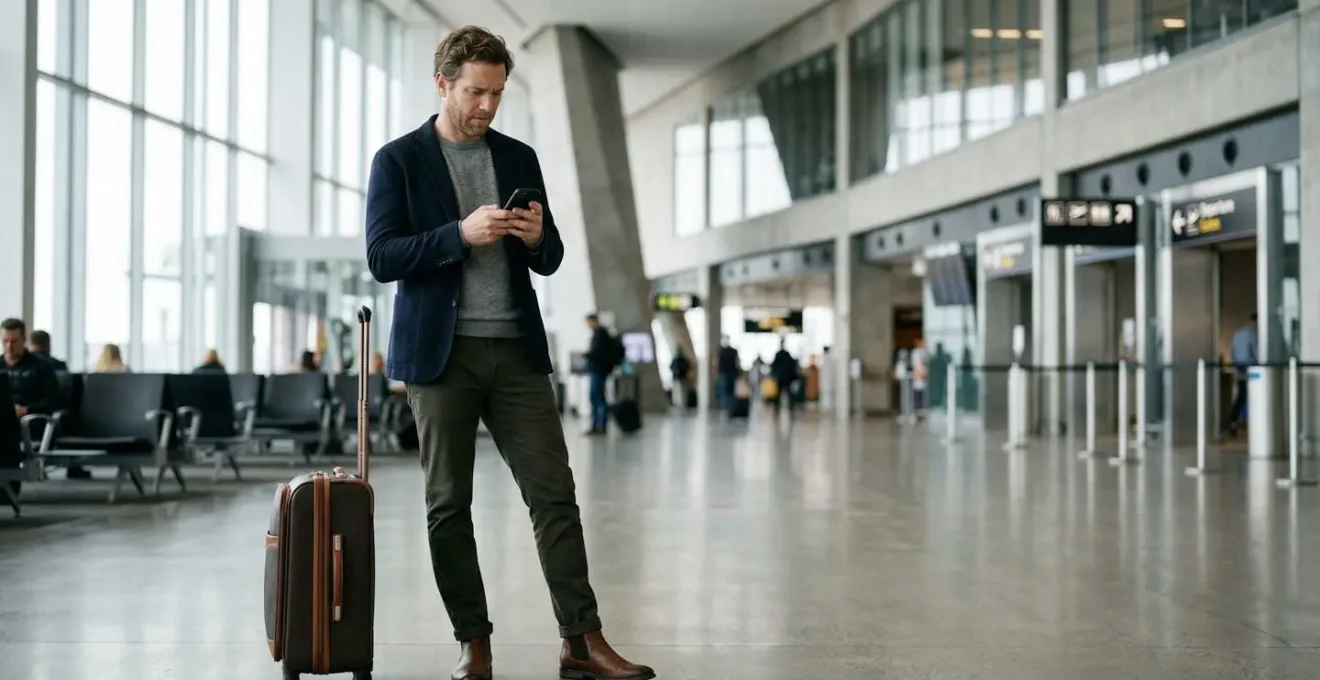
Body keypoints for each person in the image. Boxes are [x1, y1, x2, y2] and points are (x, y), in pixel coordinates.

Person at [363, 25, 653, 680]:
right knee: (448, 505)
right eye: (474, 92)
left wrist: (534, 236)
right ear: (443, 84)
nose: (486, 106)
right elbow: (382, 256)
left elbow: (548, 260)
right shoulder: (399, 160)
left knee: (555, 495)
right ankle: (474, 643)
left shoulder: (518, 157)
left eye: (496, 93)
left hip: (516, 351)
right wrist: (457, 235)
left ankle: (582, 641)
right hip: (442, 360)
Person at [1, 319, 62, 489]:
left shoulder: (41, 367)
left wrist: (27, 409)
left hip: (31, 421)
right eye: (5, 341)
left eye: (14, 341)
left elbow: (53, 400)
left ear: (24, 340)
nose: (8, 346)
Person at [584, 314, 619, 434]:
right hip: (601, 370)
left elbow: (597, 353)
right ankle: (599, 425)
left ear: (593, 321)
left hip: (598, 370)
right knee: (598, 397)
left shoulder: (599, 335)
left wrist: (586, 355)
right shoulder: (603, 334)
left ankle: (598, 426)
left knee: (596, 398)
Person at [1228, 313, 1258, 437]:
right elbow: (1257, 353)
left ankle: (1234, 421)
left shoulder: (1237, 334)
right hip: (1251, 369)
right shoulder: (1252, 335)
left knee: (1241, 395)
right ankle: (1250, 422)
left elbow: (1232, 353)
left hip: (1239, 367)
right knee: (1253, 394)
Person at [714, 337, 738, 408]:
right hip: (732, 373)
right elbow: (737, 362)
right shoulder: (733, 350)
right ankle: (730, 406)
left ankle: (724, 407)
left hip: (723, 373)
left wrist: (716, 371)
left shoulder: (721, 350)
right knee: (730, 391)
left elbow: (716, 362)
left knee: (723, 391)